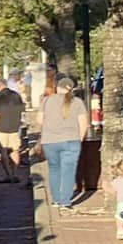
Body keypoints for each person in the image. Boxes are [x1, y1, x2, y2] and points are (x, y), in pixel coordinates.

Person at [42, 77, 90, 211]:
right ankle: (65, 201)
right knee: (69, 171)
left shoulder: (47, 101)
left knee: (54, 170)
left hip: (50, 140)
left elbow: (40, 120)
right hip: (71, 140)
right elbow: (83, 124)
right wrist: (79, 139)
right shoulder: (78, 102)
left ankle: (56, 199)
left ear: (58, 87)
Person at [0, 78, 27, 182]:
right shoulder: (16, 95)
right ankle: (15, 173)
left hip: (1, 127)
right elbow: (22, 110)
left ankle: (9, 175)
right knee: (15, 150)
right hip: (15, 126)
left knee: (4, 150)